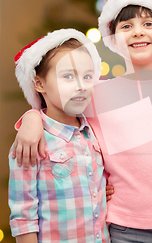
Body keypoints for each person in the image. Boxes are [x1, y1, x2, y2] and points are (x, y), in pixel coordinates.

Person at [12, 0, 152, 242]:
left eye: (148, 24)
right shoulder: (94, 93)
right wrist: (31, 117)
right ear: (113, 39)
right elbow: (54, 107)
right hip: (123, 227)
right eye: (126, 26)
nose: (137, 32)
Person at [9, 29, 110, 242]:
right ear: (39, 84)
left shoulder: (92, 131)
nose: (81, 85)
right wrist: (31, 117)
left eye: (88, 76)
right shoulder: (32, 140)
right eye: (67, 76)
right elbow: (23, 214)